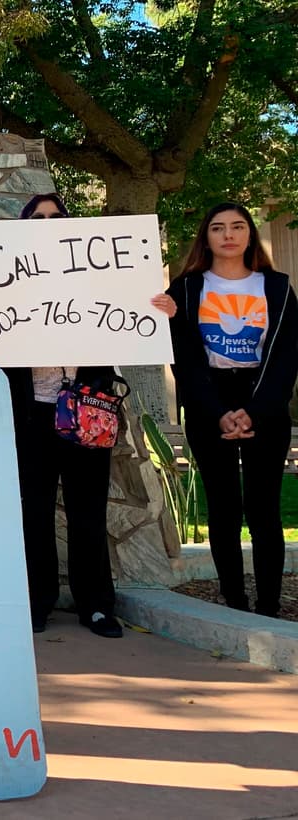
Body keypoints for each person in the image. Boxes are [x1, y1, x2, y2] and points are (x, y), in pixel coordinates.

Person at [0, 192, 177, 638]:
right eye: (36, 217)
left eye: (55, 216)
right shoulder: (5, 282)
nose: (46, 222)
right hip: (32, 417)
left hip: (88, 413)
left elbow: (131, 321)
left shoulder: (99, 281)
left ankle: (96, 606)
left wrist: (161, 312)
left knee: (88, 513)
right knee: (33, 514)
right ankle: (37, 603)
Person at [166, 203, 298, 617]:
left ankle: (269, 604)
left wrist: (255, 411)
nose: (228, 235)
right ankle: (234, 600)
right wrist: (217, 411)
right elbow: (182, 355)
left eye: (238, 227)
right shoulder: (186, 289)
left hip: (263, 397)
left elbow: (286, 356)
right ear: (206, 237)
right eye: (218, 228)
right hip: (209, 398)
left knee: (264, 508)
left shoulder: (276, 287)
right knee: (223, 507)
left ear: (249, 235)